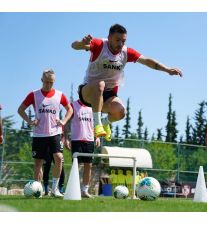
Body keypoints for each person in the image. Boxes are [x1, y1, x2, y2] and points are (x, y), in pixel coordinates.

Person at [71, 24, 182, 141]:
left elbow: (148, 61)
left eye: (123, 41)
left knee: (121, 112)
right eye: (117, 40)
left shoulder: (126, 52)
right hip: (89, 92)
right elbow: (74, 45)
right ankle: (97, 125)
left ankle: (104, 122)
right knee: (100, 84)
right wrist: (82, 44)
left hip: (108, 96)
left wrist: (167, 69)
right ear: (109, 38)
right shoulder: (99, 45)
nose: (120, 44)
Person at [17, 69, 73, 197]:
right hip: (39, 134)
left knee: (59, 158)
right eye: (46, 82)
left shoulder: (59, 94)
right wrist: (30, 121)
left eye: (51, 82)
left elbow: (69, 109)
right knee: (38, 163)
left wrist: (63, 121)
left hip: (55, 132)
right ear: (42, 80)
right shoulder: (34, 95)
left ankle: (55, 189)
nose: (48, 85)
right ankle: (38, 190)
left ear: (54, 82)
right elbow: (20, 110)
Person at [64, 99, 101, 198]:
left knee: (88, 165)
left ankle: (84, 191)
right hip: (76, 140)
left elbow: (97, 123)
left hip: (89, 140)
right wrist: (66, 138)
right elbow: (66, 122)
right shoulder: (73, 105)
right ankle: (72, 189)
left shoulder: (93, 106)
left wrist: (97, 137)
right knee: (76, 166)